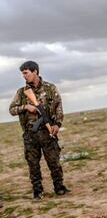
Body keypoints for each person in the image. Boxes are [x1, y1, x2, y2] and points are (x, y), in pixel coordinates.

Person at [9, 61, 70, 201]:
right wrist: (25, 107)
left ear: (35, 71)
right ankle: (37, 192)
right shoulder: (22, 93)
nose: (24, 76)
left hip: (48, 132)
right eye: (23, 74)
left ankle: (59, 188)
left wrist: (57, 125)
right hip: (30, 134)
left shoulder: (50, 88)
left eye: (26, 73)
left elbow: (58, 108)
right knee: (33, 164)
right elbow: (12, 110)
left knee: (54, 161)